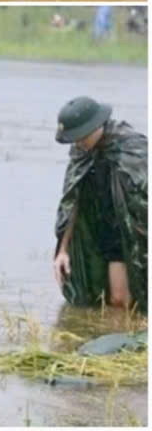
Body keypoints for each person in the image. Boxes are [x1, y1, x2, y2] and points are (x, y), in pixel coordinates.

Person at [52, 96, 147, 312]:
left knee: (124, 300)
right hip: (105, 234)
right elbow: (72, 200)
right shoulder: (82, 153)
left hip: (135, 236)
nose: (78, 143)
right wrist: (63, 249)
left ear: (96, 127)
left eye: (81, 137)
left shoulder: (133, 149)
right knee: (111, 301)